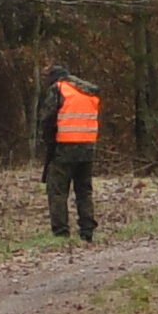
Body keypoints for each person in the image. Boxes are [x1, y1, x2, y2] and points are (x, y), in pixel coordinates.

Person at [37, 64, 108, 241]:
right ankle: (87, 231)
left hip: (64, 147)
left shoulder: (59, 88)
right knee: (84, 190)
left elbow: (47, 119)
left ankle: (61, 233)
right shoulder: (88, 91)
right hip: (88, 148)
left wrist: (47, 140)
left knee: (57, 191)